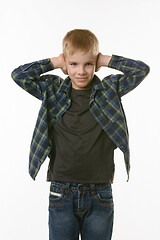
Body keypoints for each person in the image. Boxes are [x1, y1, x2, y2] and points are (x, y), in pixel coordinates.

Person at [11, 29, 150, 240]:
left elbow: (141, 70)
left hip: (100, 191)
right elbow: (18, 75)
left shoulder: (109, 89)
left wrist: (104, 59)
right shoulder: (53, 90)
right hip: (61, 190)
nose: (81, 71)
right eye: (74, 64)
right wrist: (55, 62)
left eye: (88, 64)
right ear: (66, 65)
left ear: (95, 64)